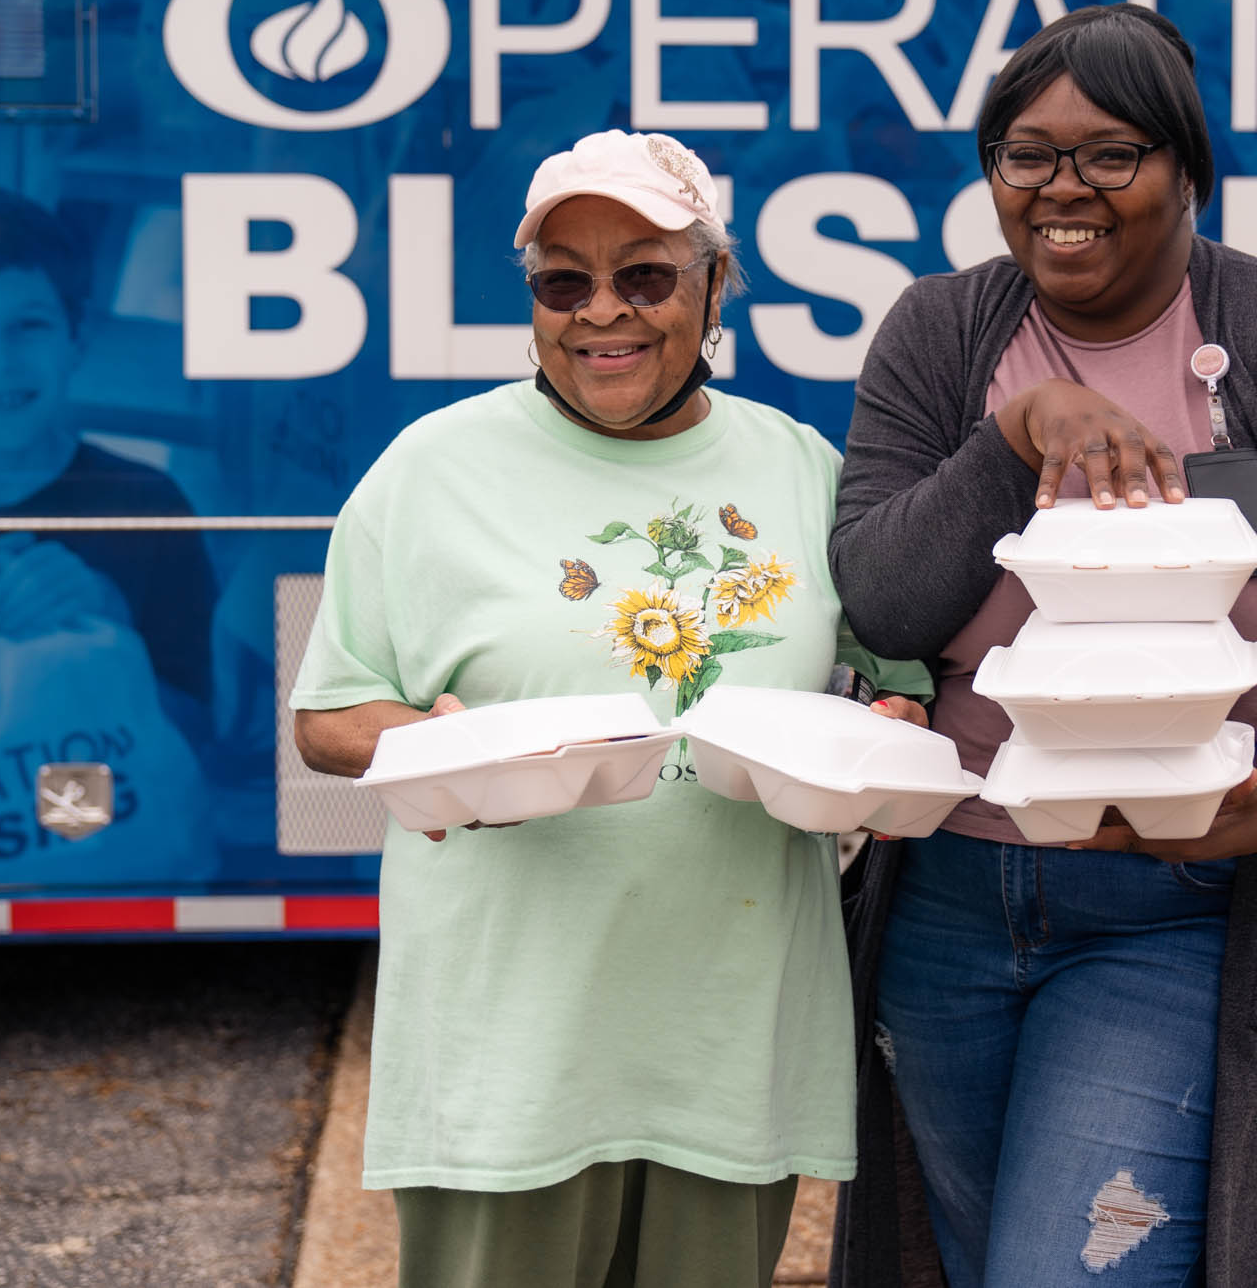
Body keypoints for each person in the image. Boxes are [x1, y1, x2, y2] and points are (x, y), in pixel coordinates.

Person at [827, 6, 1257, 1287]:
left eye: (1111, 153)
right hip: (945, 901)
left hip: (1174, 910)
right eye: (1025, 153)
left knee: (1073, 1265)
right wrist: (1015, 436)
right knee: (955, 1260)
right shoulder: (941, 336)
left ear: (1187, 171)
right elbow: (885, 602)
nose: (1062, 188)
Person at [289, 129, 930, 1288]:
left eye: (644, 275)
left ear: (713, 286)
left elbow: (899, 673)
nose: (601, 312)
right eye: (562, 282)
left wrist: (892, 732)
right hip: (503, 1066)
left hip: (728, 1052)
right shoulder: (427, 471)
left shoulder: (800, 469)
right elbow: (326, 721)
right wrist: (443, 750)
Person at [0, 187, 211, 878]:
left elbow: (199, 738)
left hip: (99, 866)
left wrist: (109, 626)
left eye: (28, 326)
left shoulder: (145, 504)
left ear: (77, 338)